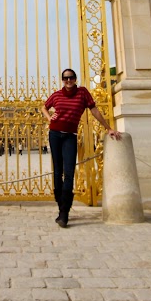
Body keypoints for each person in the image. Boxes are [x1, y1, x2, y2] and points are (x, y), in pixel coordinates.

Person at [40, 68, 119, 228]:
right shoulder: (57, 95)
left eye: (71, 78)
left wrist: (108, 128)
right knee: (57, 172)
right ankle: (60, 204)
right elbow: (44, 107)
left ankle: (64, 213)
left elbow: (94, 110)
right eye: (65, 78)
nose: (68, 81)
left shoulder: (83, 93)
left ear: (75, 79)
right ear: (62, 80)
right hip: (55, 134)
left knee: (69, 173)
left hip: (70, 136)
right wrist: (49, 118)